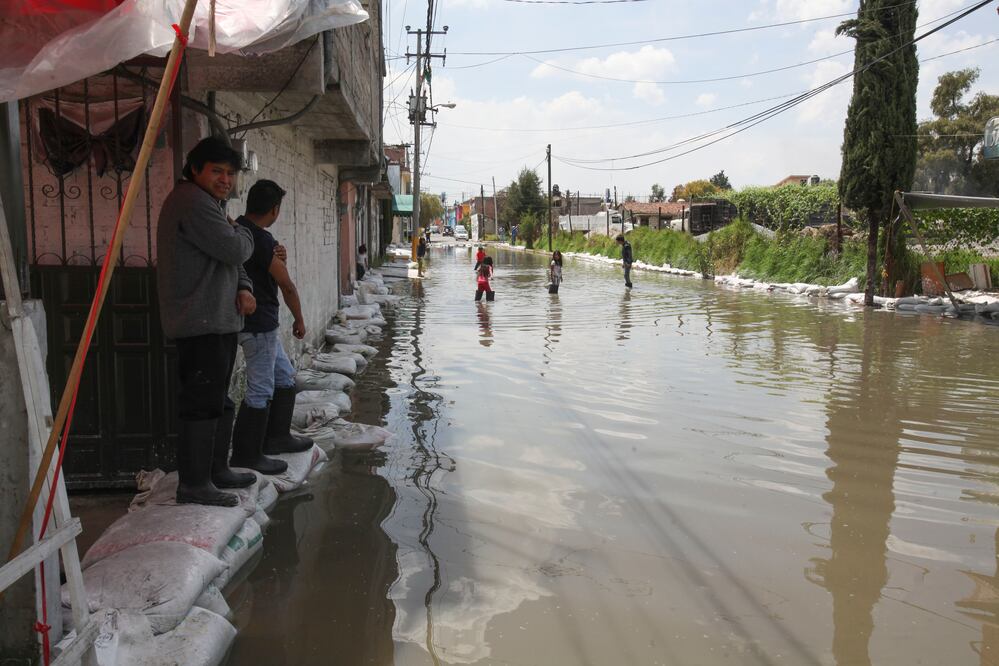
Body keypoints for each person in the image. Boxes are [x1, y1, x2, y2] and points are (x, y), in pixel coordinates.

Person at [156, 137, 256, 507]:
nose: (225, 179)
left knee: (219, 400)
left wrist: (244, 286)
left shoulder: (209, 204)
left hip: (216, 319)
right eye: (217, 171)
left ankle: (216, 471)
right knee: (202, 403)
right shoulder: (192, 202)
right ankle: (195, 484)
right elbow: (235, 248)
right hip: (200, 321)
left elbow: (232, 261)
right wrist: (243, 229)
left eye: (230, 173)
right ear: (195, 169)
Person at [229, 179, 313, 477]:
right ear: (275, 209)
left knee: (285, 377)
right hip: (258, 324)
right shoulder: (261, 241)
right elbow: (286, 286)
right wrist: (300, 320)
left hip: (258, 324)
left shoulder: (238, 228)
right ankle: (247, 454)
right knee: (260, 390)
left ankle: (276, 438)